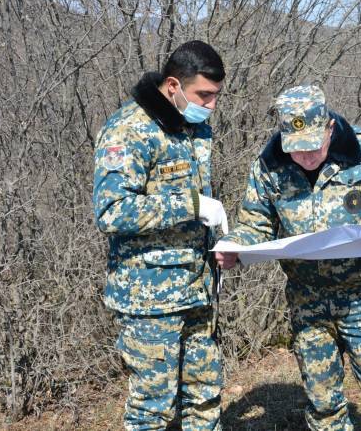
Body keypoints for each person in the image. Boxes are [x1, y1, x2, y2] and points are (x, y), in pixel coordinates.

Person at [216, 85, 361, 430]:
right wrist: (235, 246)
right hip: (307, 301)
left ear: (330, 129)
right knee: (323, 405)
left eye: (313, 148)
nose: (305, 157)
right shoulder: (268, 167)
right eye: (296, 150)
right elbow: (255, 224)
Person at [93, 40, 228, 430]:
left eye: (216, 96)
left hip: (197, 289)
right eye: (204, 95)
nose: (211, 105)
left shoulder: (194, 129)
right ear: (173, 85)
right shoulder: (129, 130)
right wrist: (192, 205)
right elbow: (111, 211)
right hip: (149, 298)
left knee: (205, 398)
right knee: (152, 409)